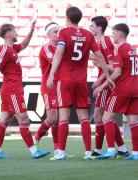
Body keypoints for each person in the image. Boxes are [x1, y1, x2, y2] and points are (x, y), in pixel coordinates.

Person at [47, 6, 114, 160]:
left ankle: (61, 152)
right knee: (84, 118)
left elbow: (59, 52)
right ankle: (88, 153)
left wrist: (51, 75)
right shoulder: (88, 35)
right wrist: (108, 75)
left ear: (67, 18)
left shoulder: (64, 32)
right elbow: (99, 56)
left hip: (65, 80)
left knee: (64, 116)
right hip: (81, 81)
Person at [0, 21, 50, 159]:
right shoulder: (4, 50)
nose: (17, 33)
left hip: (12, 89)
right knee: (24, 119)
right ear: (8, 34)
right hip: (11, 90)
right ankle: (33, 151)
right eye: (14, 31)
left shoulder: (12, 49)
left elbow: (24, 44)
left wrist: (31, 31)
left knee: (4, 120)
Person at [93, 23, 138, 160]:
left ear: (119, 34)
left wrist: (102, 86)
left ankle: (111, 150)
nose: (112, 36)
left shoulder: (119, 49)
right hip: (135, 88)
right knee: (133, 121)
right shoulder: (132, 48)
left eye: (113, 33)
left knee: (106, 117)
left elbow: (117, 72)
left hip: (123, 88)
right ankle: (135, 153)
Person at [89, 16, 128, 159]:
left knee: (100, 115)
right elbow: (104, 64)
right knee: (105, 117)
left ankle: (101, 149)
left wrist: (100, 81)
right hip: (104, 82)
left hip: (108, 84)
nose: (90, 28)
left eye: (92, 26)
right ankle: (122, 149)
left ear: (99, 28)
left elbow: (112, 67)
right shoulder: (99, 42)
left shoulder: (105, 41)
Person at [34, 22, 59, 155]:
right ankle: (36, 138)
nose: (58, 34)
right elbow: (55, 61)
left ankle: (57, 149)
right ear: (48, 34)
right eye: (55, 32)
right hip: (49, 86)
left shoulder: (61, 47)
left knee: (58, 119)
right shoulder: (46, 48)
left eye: (59, 31)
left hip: (60, 86)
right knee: (52, 118)